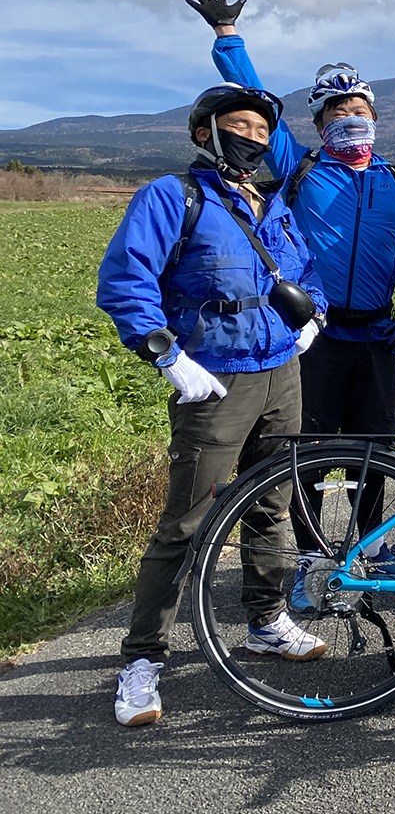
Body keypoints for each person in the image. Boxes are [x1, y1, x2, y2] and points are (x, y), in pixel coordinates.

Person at [187, 0, 395, 599]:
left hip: (379, 335)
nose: (349, 123)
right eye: (335, 116)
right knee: (311, 450)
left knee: (375, 449)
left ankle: (372, 544)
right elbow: (257, 99)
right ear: (319, 124)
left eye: (359, 113)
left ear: (375, 120)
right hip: (317, 335)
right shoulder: (300, 167)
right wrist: (228, 34)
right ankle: (307, 555)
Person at [98, 80, 329, 727]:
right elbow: (125, 279)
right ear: (205, 132)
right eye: (239, 127)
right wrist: (169, 356)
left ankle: (265, 621)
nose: (251, 139)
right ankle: (142, 659)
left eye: (261, 131)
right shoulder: (173, 197)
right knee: (185, 524)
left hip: (281, 372)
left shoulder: (270, 202)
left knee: (272, 506)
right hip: (216, 380)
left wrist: (313, 317)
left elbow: (304, 273)